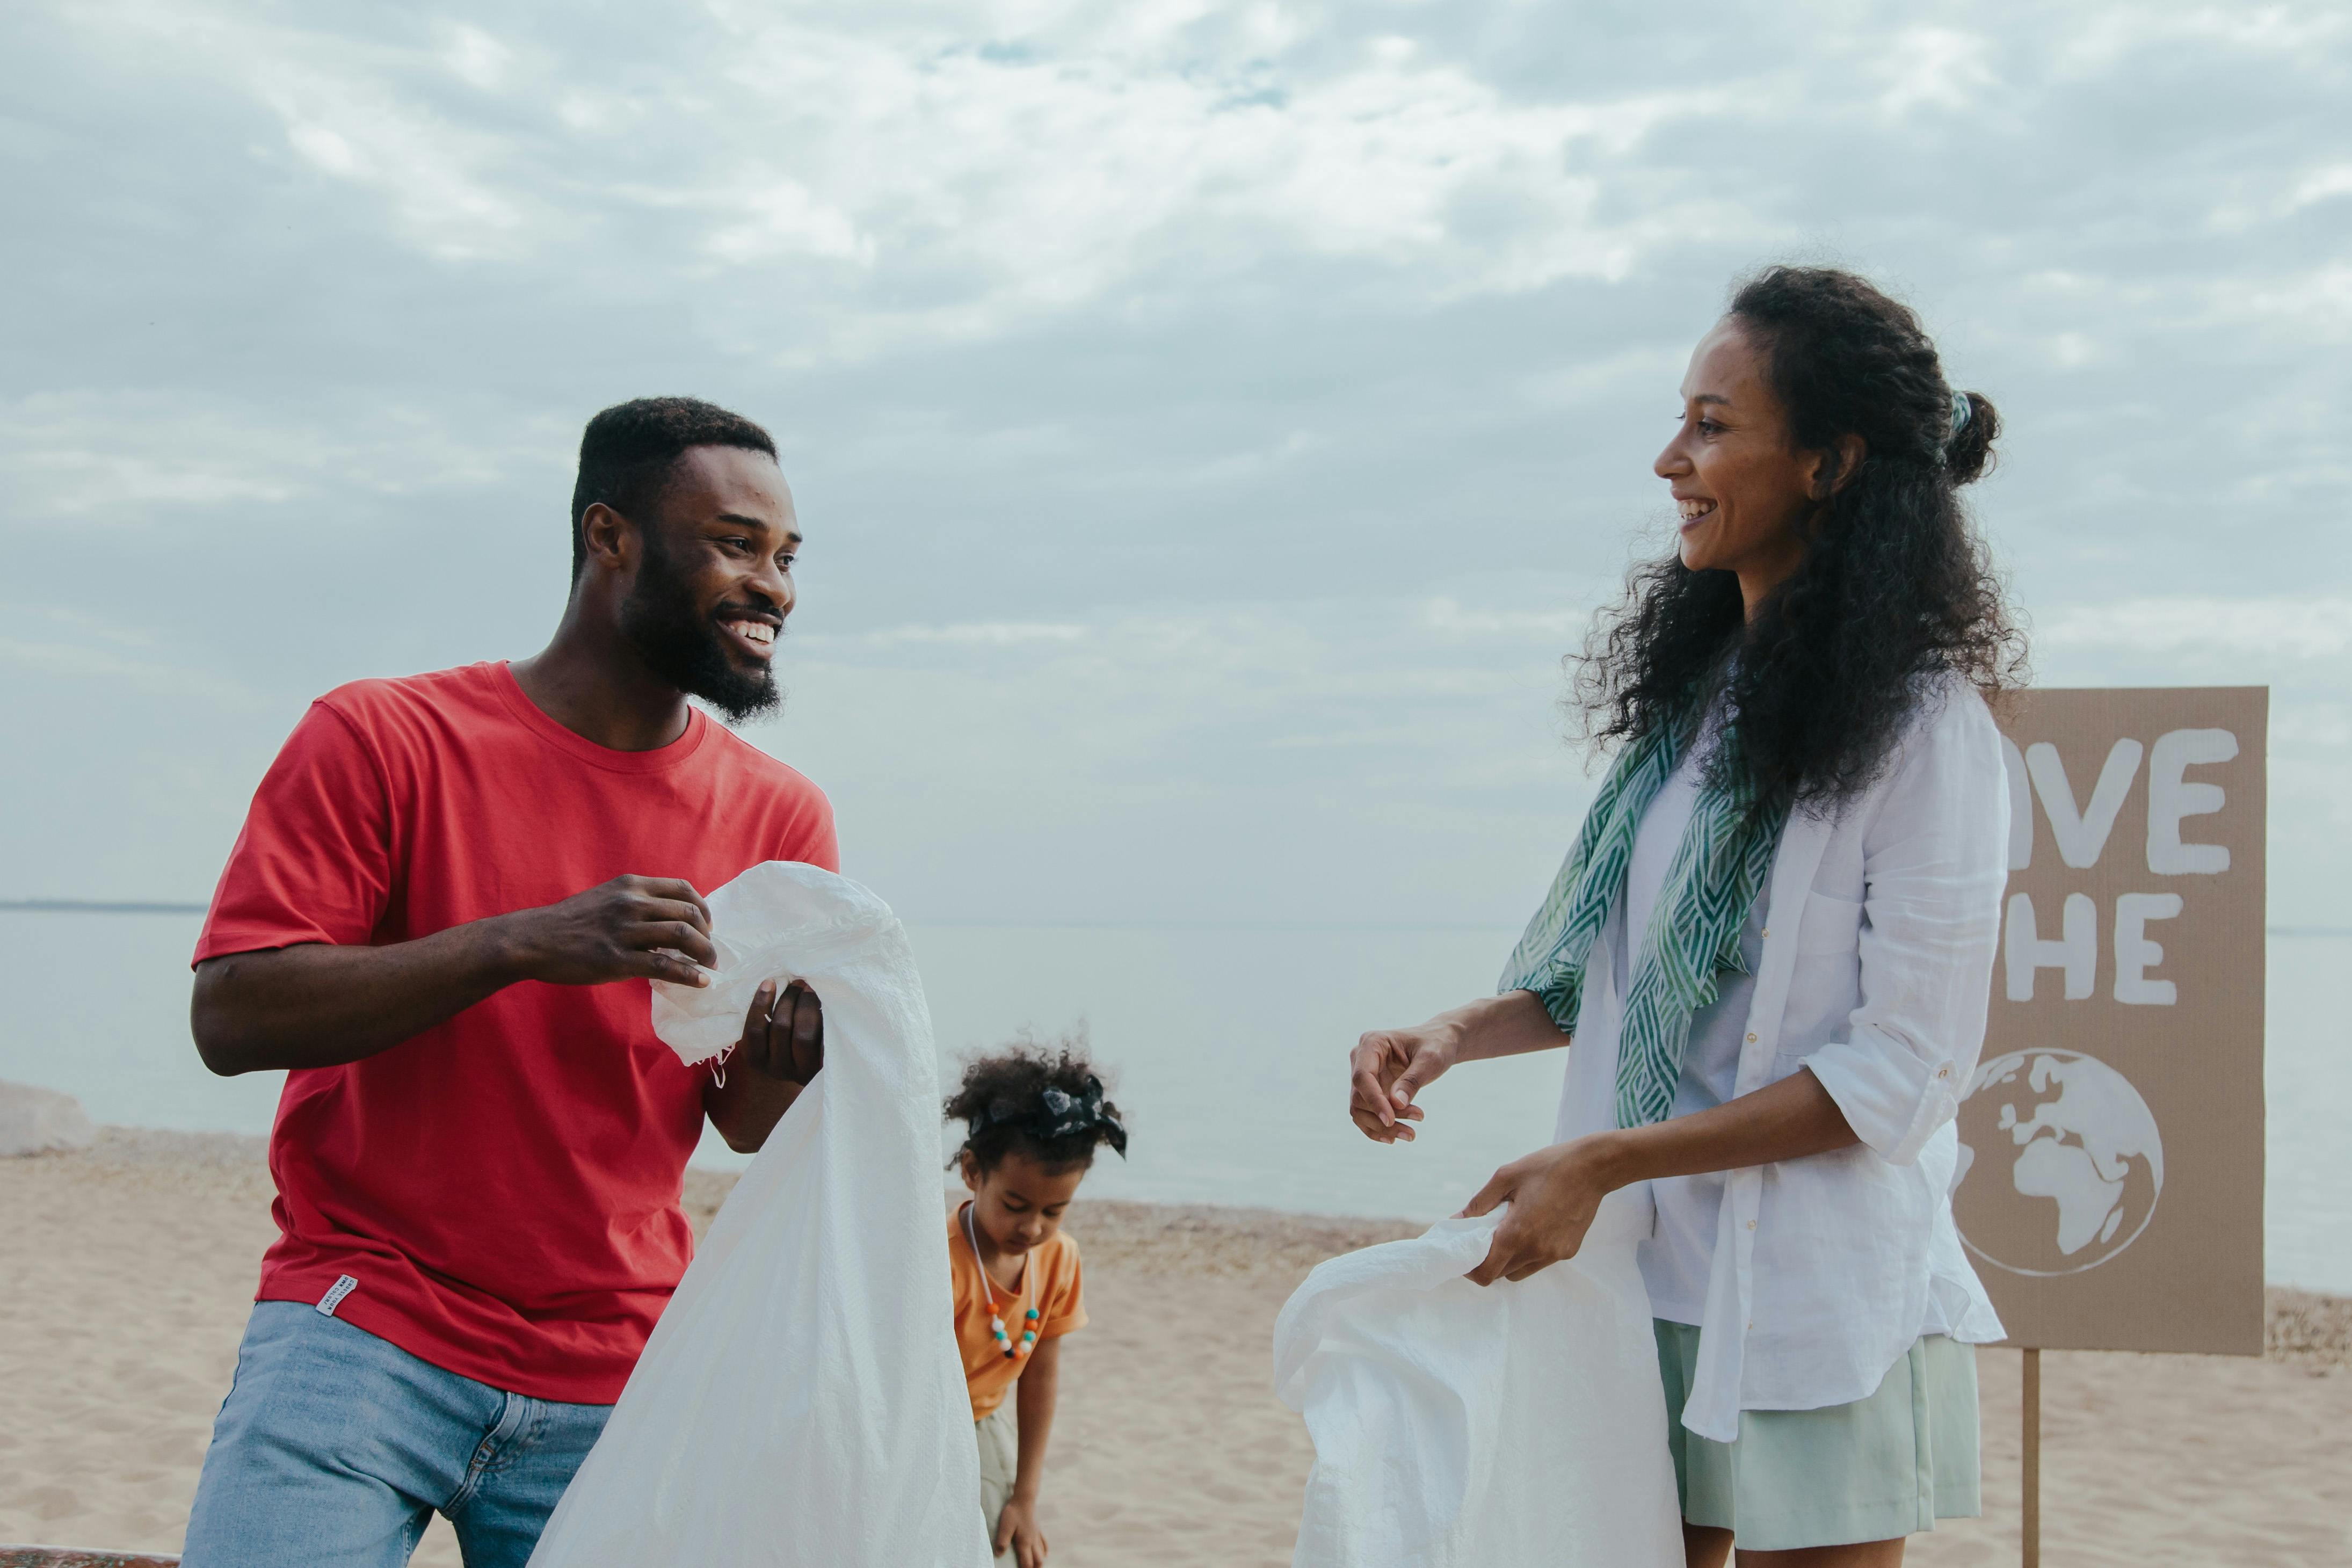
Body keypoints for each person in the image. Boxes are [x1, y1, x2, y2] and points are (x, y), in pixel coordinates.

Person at [1347, 267, 2024, 1567]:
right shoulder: (1689, 716)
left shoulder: (1926, 735)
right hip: (1637, 1279)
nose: (1669, 459)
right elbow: (1616, 974)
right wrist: (1444, 1032)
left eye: (1712, 425)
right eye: (1681, 420)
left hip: (1806, 1300)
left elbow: (1903, 1073)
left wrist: (1603, 1160)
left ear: (1828, 464)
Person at [180, 396, 836, 1567]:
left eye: (786, 558)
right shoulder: (383, 735)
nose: (774, 586)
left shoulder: (783, 815)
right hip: (362, 1327)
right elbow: (232, 1013)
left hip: (622, 1368)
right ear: (609, 536)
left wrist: (784, 1075)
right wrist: (519, 941)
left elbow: (729, 1113)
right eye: (738, 543)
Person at [944, 1043, 1128, 1568]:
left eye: (1055, 1210)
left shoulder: (1060, 1259)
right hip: (921, 1429)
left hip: (986, 1428)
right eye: (1015, 1205)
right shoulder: (939, 1262)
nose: (1033, 1228)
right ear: (974, 1172)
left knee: (1004, 1548)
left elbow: (1040, 1377)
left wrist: (1026, 1494)